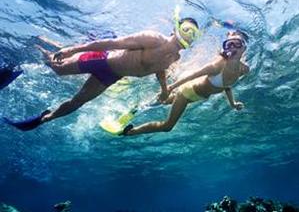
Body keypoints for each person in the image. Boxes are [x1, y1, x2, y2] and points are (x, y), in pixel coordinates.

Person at [4, 14, 201, 131]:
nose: (188, 36)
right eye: (186, 29)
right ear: (176, 27)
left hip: (110, 77)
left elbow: (160, 71)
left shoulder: (175, 58)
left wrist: (164, 89)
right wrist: (73, 49)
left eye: (193, 34)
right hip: (101, 59)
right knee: (57, 69)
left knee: (78, 102)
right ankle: (37, 42)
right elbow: (111, 43)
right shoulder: (153, 39)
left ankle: (46, 117)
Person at [122, 30, 250, 136]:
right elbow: (192, 75)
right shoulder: (217, 65)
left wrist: (232, 104)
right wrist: (169, 88)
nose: (232, 48)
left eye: (237, 44)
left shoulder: (243, 69)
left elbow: (226, 86)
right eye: (229, 44)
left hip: (195, 96)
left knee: (159, 103)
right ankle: (130, 132)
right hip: (186, 94)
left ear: (244, 48)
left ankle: (136, 108)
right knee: (167, 127)